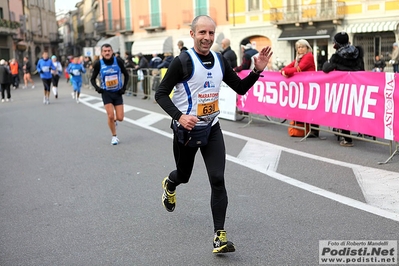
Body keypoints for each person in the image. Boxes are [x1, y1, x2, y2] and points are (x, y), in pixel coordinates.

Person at [155, 15, 273, 254]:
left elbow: (239, 88)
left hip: (212, 128)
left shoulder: (220, 60)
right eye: (202, 33)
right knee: (184, 175)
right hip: (187, 131)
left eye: (211, 33)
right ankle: (170, 183)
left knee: (218, 179)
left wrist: (256, 71)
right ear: (192, 34)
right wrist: (179, 116)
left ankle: (219, 236)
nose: (207, 38)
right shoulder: (183, 61)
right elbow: (160, 93)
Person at [323, 31, 365, 147]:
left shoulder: (337, 56)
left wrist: (331, 63)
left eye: (334, 42)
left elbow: (326, 68)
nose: (333, 44)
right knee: (354, 110)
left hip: (343, 88)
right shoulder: (358, 53)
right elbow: (362, 69)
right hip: (358, 86)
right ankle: (359, 132)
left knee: (344, 111)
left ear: (337, 43)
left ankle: (347, 139)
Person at [90, 44, 129, 145]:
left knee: (120, 118)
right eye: (105, 51)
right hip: (106, 93)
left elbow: (126, 74)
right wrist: (98, 89)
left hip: (117, 92)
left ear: (112, 52)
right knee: (110, 115)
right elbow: (92, 79)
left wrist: (124, 88)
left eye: (108, 50)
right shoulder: (99, 63)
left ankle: (114, 121)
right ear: (102, 53)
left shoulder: (118, 61)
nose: (107, 53)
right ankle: (114, 136)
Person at [281, 39, 318, 137]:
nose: (300, 49)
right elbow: (287, 67)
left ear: (307, 48)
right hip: (302, 87)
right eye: (298, 47)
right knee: (305, 107)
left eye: (302, 47)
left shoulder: (308, 56)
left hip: (309, 86)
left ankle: (313, 130)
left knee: (310, 107)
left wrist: (286, 72)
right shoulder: (299, 58)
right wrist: (283, 71)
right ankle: (307, 129)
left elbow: (298, 69)